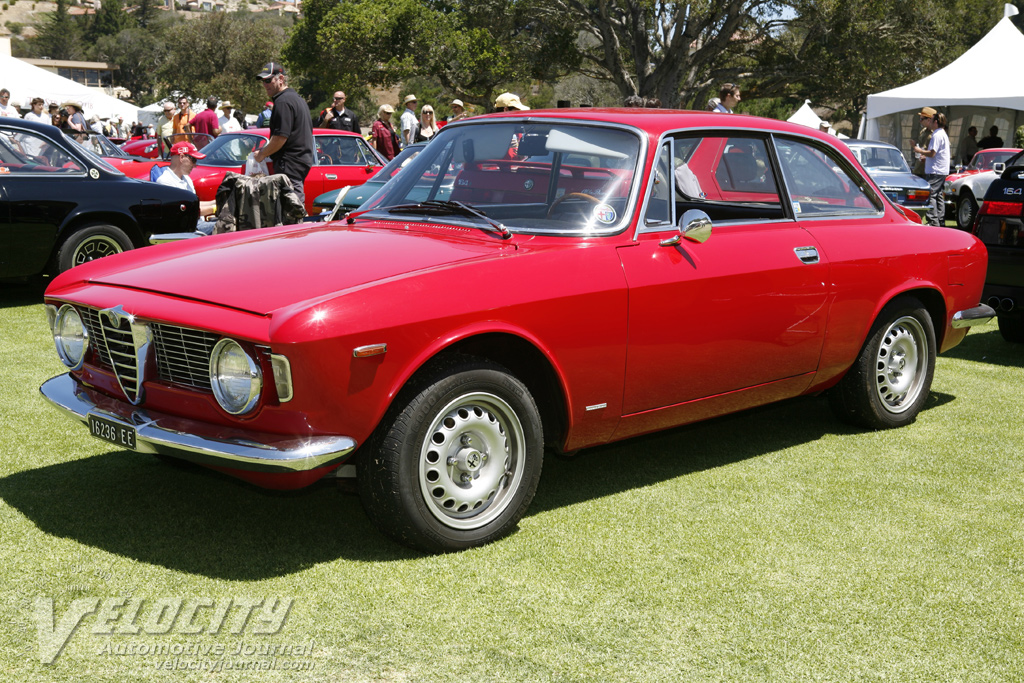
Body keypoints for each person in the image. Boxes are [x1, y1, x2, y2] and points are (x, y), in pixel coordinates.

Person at [252, 62, 315, 210]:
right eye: (263, 81)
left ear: (280, 78)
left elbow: (280, 138)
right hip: (299, 161)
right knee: (290, 207)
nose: (265, 84)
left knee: (292, 210)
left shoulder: (283, 101)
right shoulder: (296, 98)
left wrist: (262, 154)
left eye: (268, 80)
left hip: (289, 163)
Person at [156, 141, 219, 233]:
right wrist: (215, 208)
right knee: (229, 226)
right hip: (186, 229)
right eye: (193, 160)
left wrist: (217, 202)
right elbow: (187, 212)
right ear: (181, 157)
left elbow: (194, 204)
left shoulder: (186, 179)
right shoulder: (165, 182)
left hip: (196, 224)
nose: (195, 165)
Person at [913, 108, 950, 227]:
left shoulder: (937, 134)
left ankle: (933, 222)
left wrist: (920, 150)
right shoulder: (942, 133)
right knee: (938, 195)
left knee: (931, 195)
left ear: (935, 122)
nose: (929, 123)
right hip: (940, 170)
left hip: (935, 170)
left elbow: (933, 153)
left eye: (931, 120)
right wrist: (927, 157)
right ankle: (940, 220)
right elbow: (935, 154)